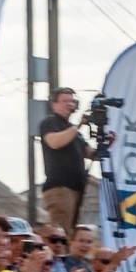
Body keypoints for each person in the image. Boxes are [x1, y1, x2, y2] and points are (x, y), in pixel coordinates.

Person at [37, 86, 92, 239]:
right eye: (65, 101)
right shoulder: (50, 122)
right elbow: (55, 142)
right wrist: (78, 125)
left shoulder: (75, 132)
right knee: (60, 234)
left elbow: (91, 153)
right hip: (60, 188)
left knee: (72, 235)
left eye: (72, 101)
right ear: (54, 104)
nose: (70, 104)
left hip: (76, 188)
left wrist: (108, 144)